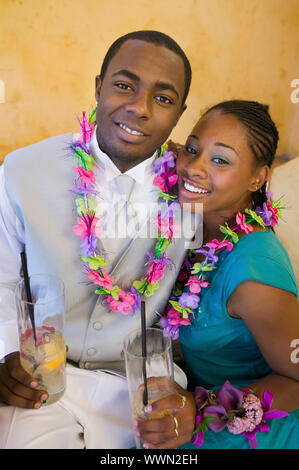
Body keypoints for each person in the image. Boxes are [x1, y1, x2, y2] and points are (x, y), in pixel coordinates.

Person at [0, 30, 199, 449]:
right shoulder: (20, 171)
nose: (139, 108)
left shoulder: (196, 189)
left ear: (179, 114)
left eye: (162, 99)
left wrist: (202, 399)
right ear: (97, 87)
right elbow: (1, 280)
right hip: (45, 381)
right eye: (124, 85)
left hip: (147, 388)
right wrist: (5, 358)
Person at [134, 100, 299, 449]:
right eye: (192, 149)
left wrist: (200, 410)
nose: (194, 167)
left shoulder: (253, 274)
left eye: (220, 160)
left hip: (255, 422)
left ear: (258, 178)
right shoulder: (196, 226)